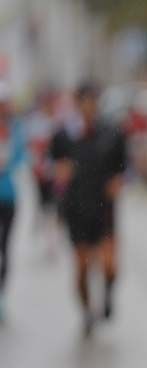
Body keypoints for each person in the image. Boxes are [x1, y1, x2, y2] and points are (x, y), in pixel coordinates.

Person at [50, 81, 127, 338]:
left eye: (93, 102)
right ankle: (86, 311)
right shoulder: (64, 136)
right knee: (82, 267)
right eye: (85, 101)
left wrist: (117, 183)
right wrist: (58, 208)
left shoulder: (112, 134)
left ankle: (107, 294)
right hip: (77, 207)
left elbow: (122, 169)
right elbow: (57, 173)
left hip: (104, 208)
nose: (89, 107)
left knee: (109, 264)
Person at [0, 81, 27, 323]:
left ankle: (2, 295)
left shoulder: (15, 128)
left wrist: (6, 164)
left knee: (4, 248)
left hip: (7, 197)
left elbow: (21, 157)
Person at [26, 87, 60, 258]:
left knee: (55, 208)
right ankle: (49, 241)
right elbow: (32, 149)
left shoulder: (59, 121)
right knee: (47, 208)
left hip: (56, 175)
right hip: (42, 174)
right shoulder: (36, 122)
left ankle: (53, 238)